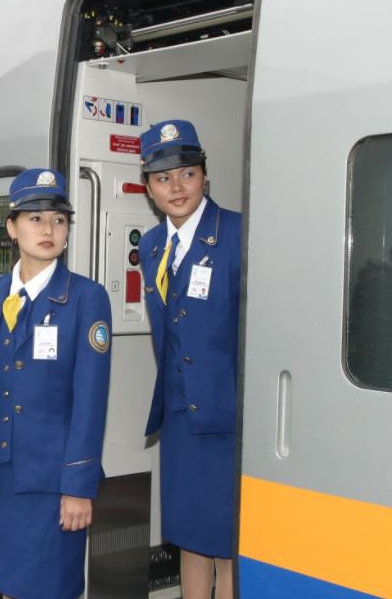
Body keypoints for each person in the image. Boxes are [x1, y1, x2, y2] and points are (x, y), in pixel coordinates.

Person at [0, 168, 112, 599]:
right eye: (35, 218)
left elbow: (90, 401)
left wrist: (78, 488)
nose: (48, 229)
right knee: (8, 586)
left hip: (54, 485)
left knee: (51, 590)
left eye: (59, 220)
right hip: (2, 478)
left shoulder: (86, 298)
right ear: (11, 228)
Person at [138, 120, 240, 599]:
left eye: (187, 174)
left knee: (228, 543)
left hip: (227, 417)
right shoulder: (152, 245)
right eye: (163, 178)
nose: (176, 187)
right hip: (179, 416)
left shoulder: (236, 233)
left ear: (205, 177)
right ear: (148, 187)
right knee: (189, 537)